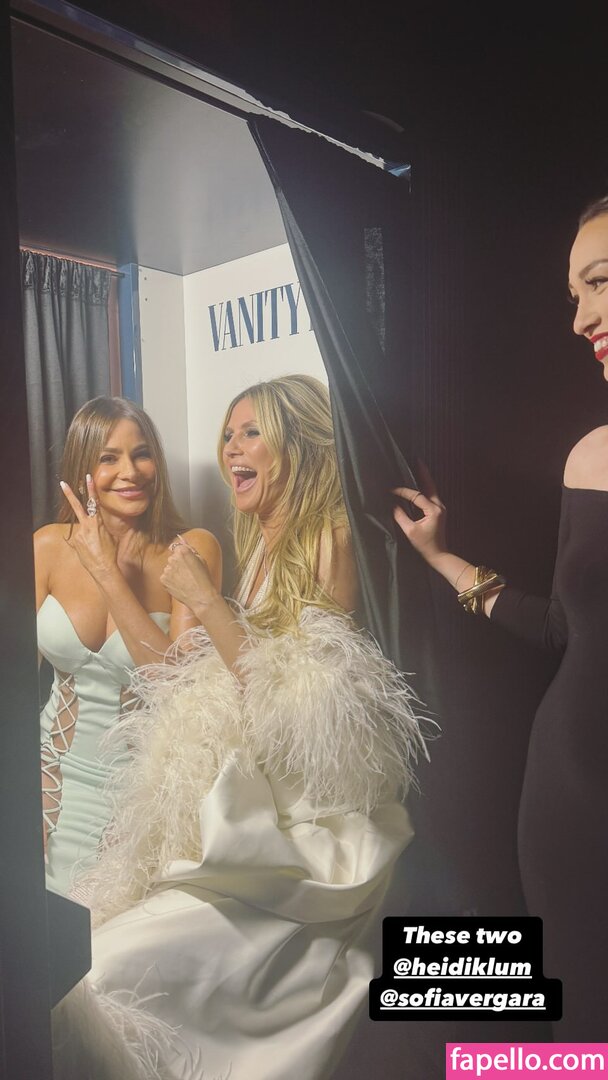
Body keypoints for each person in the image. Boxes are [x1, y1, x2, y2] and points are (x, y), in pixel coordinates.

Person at [52, 374, 427, 1080]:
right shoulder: (259, 543)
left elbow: (297, 709)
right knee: (97, 961)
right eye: (228, 435)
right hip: (245, 804)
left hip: (300, 831)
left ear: (298, 443)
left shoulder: (331, 538)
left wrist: (202, 599)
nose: (232, 449)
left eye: (252, 433)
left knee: (113, 970)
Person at [392, 195, 608, 1040]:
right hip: (573, 795)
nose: (580, 318)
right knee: (581, 1027)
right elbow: (560, 628)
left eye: (600, 283)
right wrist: (444, 559)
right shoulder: (591, 457)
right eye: (574, 294)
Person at [35, 395, 222, 896]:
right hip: (47, 776)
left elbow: (174, 689)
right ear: (83, 470)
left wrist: (105, 571)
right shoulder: (47, 546)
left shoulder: (192, 549)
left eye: (142, 454)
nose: (130, 472)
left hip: (138, 794)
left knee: (107, 931)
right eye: (109, 458)